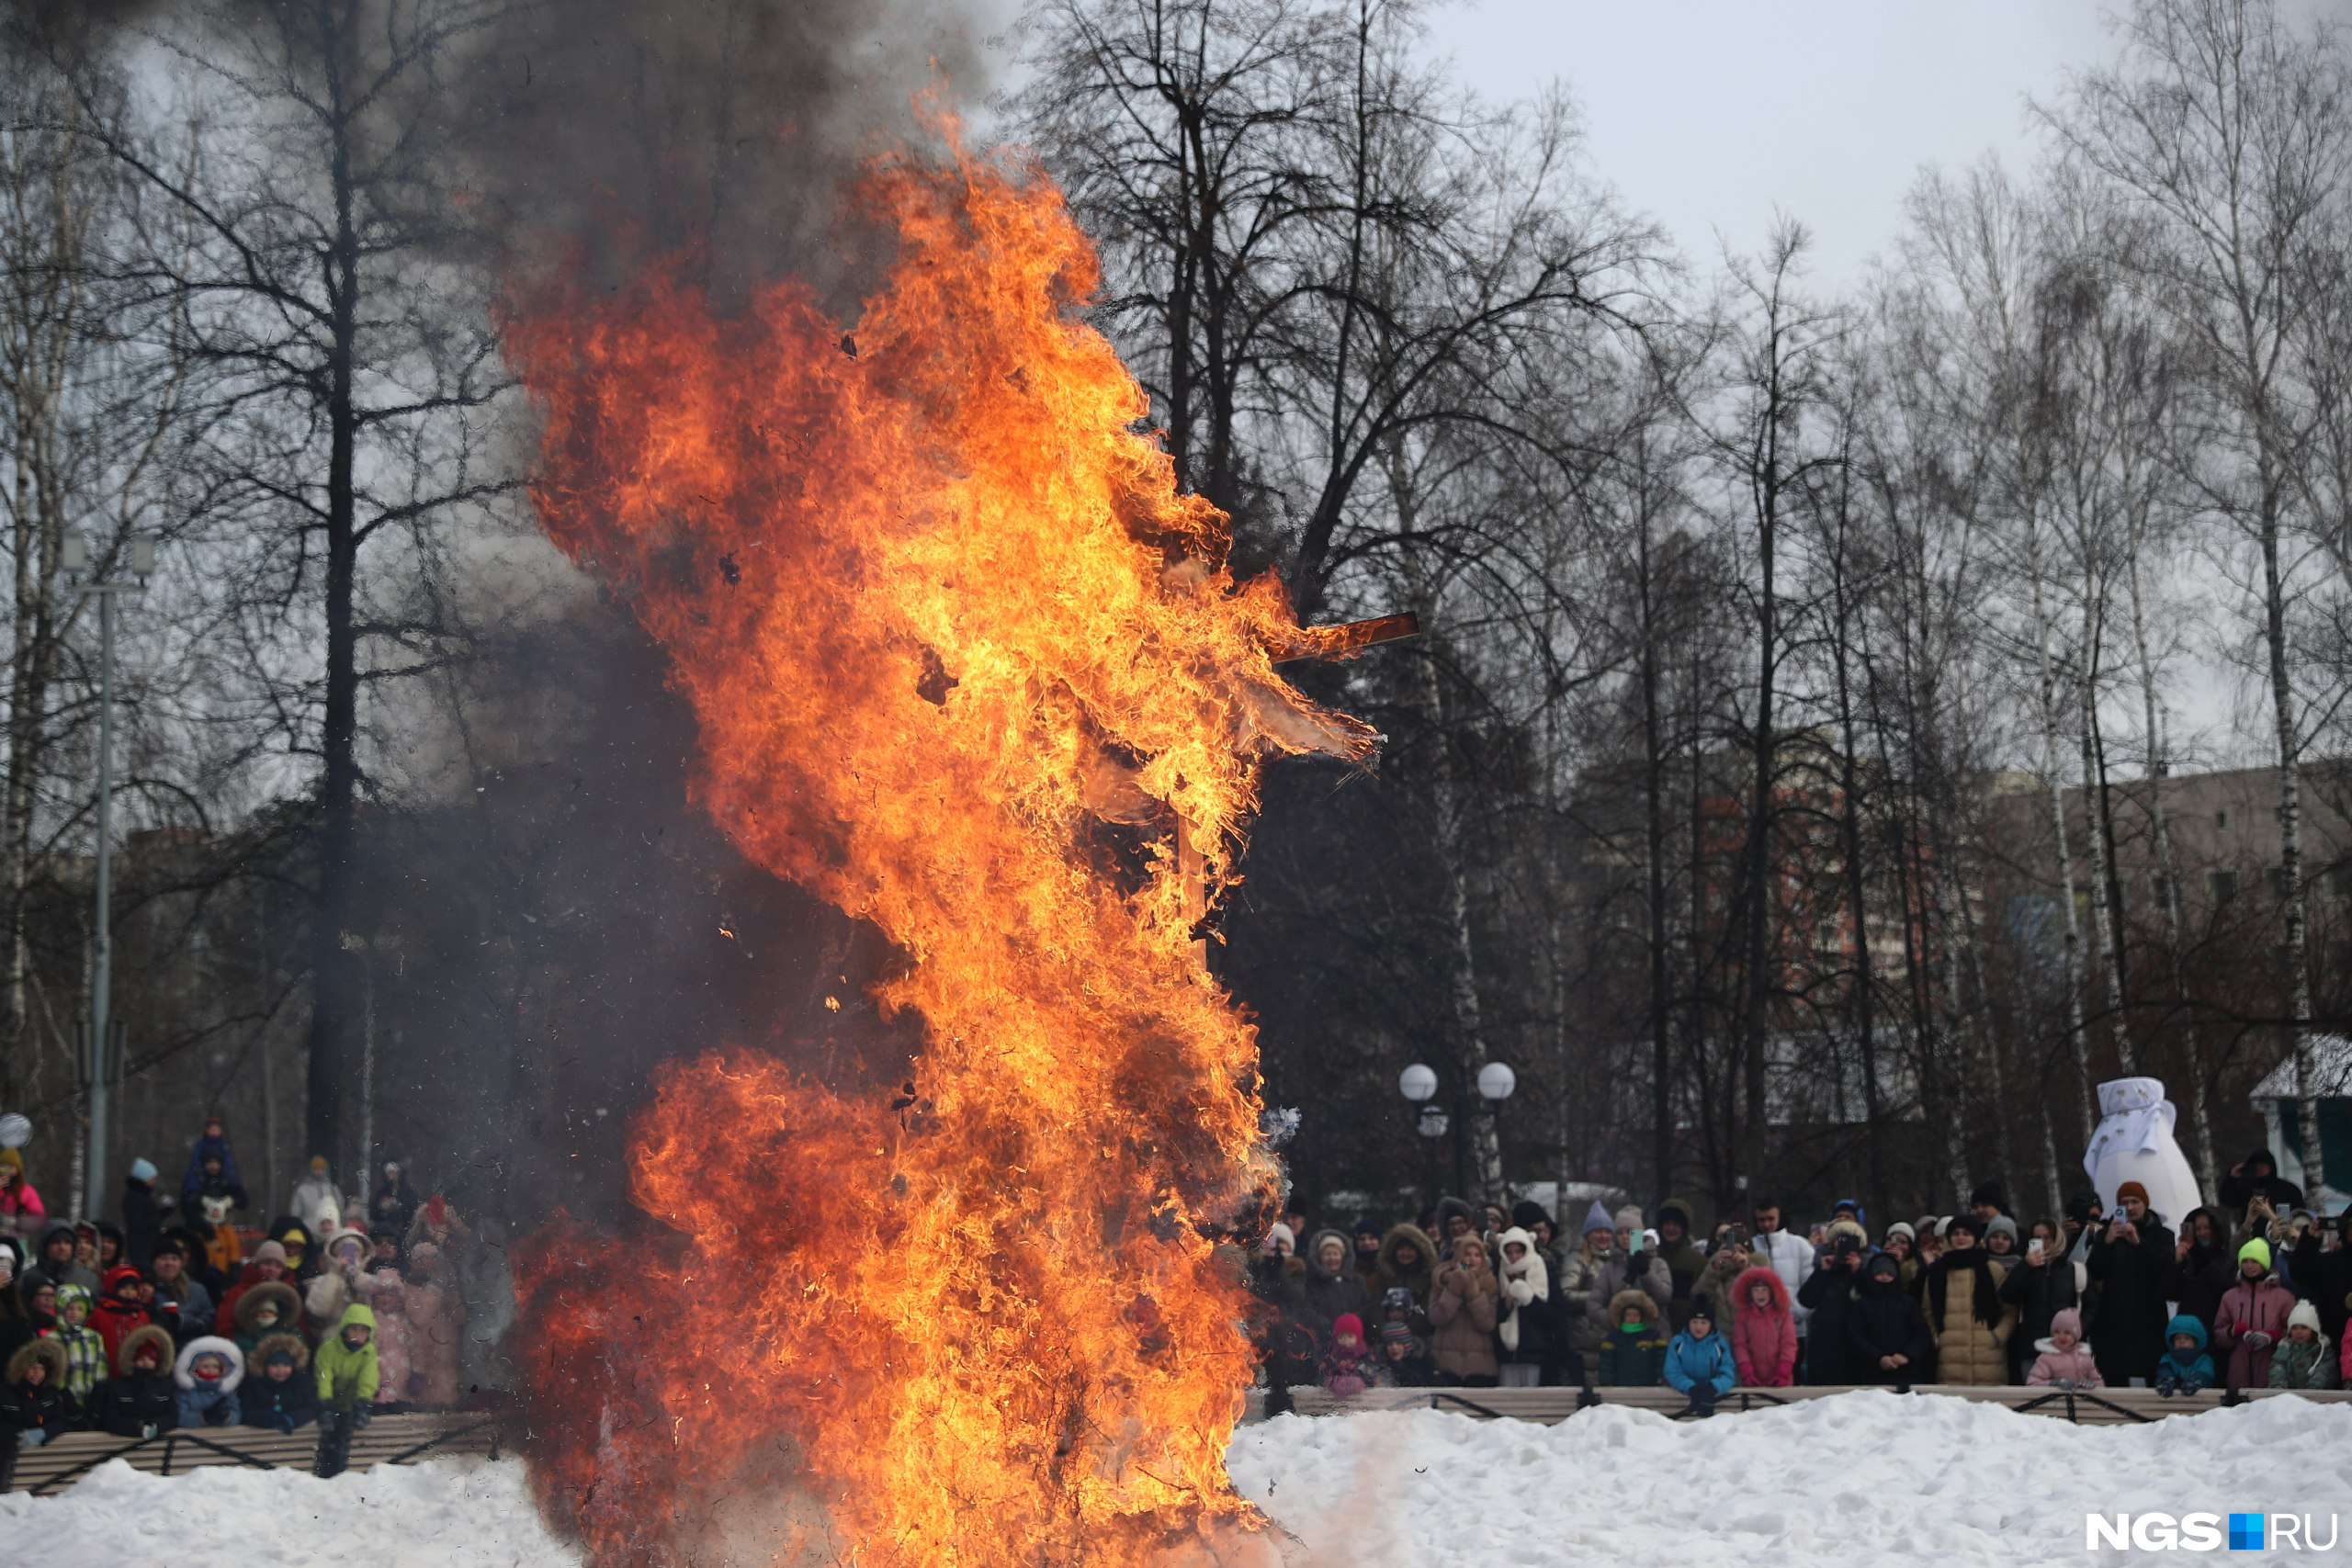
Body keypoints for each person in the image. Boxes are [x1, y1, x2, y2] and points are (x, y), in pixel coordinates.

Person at [2086, 1181, 2173, 1387]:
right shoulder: (2106, 1233)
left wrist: (2138, 1243)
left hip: (2149, 1320)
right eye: (2124, 1203)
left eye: (2135, 1201)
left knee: (2153, 1375)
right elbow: (2094, 1270)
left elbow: (2162, 1268)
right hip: (2112, 1323)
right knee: (2114, 1376)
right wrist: (2106, 1242)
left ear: (2146, 1204)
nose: (2131, 1207)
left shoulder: (2162, 1234)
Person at [1922, 1213, 2012, 1386]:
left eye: (1966, 1233)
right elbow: (1928, 1311)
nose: (1961, 1238)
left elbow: (2009, 1311)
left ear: (1976, 1237)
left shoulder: (1993, 1269)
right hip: (1949, 1360)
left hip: (1989, 1358)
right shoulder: (1937, 1272)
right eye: (1956, 1234)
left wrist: (1998, 1336)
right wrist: (1937, 1337)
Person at [1998, 1222, 2082, 1385]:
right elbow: (2006, 1295)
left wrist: (2078, 1328)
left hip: (2066, 1349)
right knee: (2034, 1398)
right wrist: (2025, 1265)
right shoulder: (2026, 1269)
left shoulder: (2072, 1270)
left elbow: (2090, 1304)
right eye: (2037, 1238)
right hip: (2032, 1347)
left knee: (2067, 1398)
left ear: (2057, 1239)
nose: (2043, 1242)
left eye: (2047, 1237)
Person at [2211, 1237, 2295, 1392]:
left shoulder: (2283, 1297)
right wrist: (2232, 1331)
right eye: (2245, 1261)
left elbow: (2294, 1334)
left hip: (2273, 1369)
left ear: (2264, 1263)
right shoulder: (2230, 1297)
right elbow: (2218, 1334)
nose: (2249, 1266)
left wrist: (2272, 1336)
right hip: (2239, 1370)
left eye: (2255, 1261)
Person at [312, 1303, 379, 1478]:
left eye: (363, 1330)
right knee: (328, 1434)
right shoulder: (329, 1348)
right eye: (354, 1329)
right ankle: (322, 1469)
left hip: (351, 1402)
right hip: (328, 1399)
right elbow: (324, 1376)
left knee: (345, 1436)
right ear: (344, 1329)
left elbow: (368, 1378)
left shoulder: (368, 1352)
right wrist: (326, 1402)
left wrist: (363, 1402)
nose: (358, 1334)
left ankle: (342, 1471)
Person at [1797, 1225, 1869, 1383]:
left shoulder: (1865, 1268)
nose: (1842, 1244)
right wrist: (1823, 1271)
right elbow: (1806, 1299)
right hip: (1824, 1346)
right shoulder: (1825, 1267)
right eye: (1839, 1239)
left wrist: (1857, 1272)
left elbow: (1869, 1298)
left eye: (1848, 1240)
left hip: (1852, 1346)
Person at [1849, 1251, 1933, 1385]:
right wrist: (1878, 1358)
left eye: (1889, 1274)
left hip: (1907, 1375)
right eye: (1879, 1273)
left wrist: (1907, 1356)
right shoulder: (1862, 1304)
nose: (1884, 1277)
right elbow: (1856, 1337)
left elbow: (1922, 1334)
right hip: (1870, 1375)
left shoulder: (1908, 1302)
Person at [1428, 1234, 1500, 1386]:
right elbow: (1437, 1318)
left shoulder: (1490, 1284)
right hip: (1446, 1366)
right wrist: (1455, 1288)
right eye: (1467, 1254)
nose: (1472, 1259)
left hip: (1479, 1368)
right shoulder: (1442, 1281)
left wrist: (1473, 1294)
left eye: (1477, 1255)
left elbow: (1487, 1323)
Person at [1750, 1201, 1814, 1363]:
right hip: (1758, 1331)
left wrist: (1796, 1314)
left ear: (1780, 1218)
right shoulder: (1750, 1246)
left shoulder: (1800, 1245)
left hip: (1794, 1330)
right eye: (1761, 1220)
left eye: (1771, 1219)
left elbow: (1811, 1287)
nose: (1766, 1224)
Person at [2162, 1206, 2237, 1340]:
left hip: (2217, 1334)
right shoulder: (2189, 1259)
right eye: (2197, 1229)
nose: (2202, 1233)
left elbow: (2229, 1292)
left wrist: (2205, 1263)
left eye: (2207, 1227)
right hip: (2189, 1337)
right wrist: (2177, 1264)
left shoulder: (2229, 1260)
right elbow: (2171, 1293)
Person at [94, 1323, 178, 1438]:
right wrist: (137, 1427)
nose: (146, 1362)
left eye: (151, 1359)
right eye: (141, 1358)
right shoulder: (117, 1386)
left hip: (158, 1444)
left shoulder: (167, 1386)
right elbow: (110, 1419)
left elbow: (172, 1416)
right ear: (133, 1360)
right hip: (121, 1444)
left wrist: (158, 1426)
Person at [2287, 1208, 2352, 1348]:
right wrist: (2309, 1240)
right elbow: (2299, 1274)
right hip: (2335, 1347)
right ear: (2345, 1229)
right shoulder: (2331, 1262)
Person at [1662, 1300, 1736, 1412]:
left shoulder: (1720, 1344)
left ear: (1711, 1324)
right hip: (1681, 1400)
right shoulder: (1677, 1343)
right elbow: (1672, 1371)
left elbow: (1728, 1373)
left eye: (1703, 1322)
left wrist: (1712, 1387)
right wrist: (1691, 1388)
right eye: (1695, 1322)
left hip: (1716, 1400)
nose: (1698, 1327)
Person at [1730, 1264, 1796, 1388]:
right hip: (1753, 1378)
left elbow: (1788, 1344)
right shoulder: (1744, 1316)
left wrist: (1783, 1372)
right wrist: (1747, 1372)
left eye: (1764, 1290)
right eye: (1756, 1290)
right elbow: (1740, 1345)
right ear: (1750, 1294)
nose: (1760, 1294)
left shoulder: (1782, 1314)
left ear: (1772, 1291)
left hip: (1781, 1377)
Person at [1, 1337, 75, 1448]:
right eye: (32, 1367)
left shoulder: (50, 1392)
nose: (37, 1373)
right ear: (22, 1368)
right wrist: (17, 1433)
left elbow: (61, 1421)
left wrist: (43, 1432)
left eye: (42, 1369)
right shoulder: (6, 1391)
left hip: (44, 1455)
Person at [240, 1334, 322, 1430]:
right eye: (274, 1365)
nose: (281, 1370)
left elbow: (313, 1407)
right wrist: (272, 1419)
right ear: (264, 1366)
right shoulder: (254, 1383)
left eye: (286, 1365)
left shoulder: (302, 1382)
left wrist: (292, 1419)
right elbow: (246, 1411)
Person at [146, 1238, 214, 1345]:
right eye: (163, 1258)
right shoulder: (146, 1292)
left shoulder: (196, 1290)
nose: (169, 1263)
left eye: (174, 1258)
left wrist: (182, 1321)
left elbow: (210, 1319)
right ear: (153, 1263)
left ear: (181, 1263)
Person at [1374, 1223, 1438, 1335]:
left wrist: (1407, 1331)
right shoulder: (1385, 1276)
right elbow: (1375, 1306)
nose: (1405, 1253)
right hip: (1387, 1337)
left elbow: (1427, 1308)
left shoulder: (1428, 1277)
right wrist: (1386, 1330)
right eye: (1401, 1249)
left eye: (1410, 1249)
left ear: (1419, 1251)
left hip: (1420, 1336)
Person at [1650, 1199, 1705, 1330]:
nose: (1670, 1228)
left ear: (1684, 1228)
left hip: (1685, 1334)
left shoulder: (1698, 1262)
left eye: (1676, 1225)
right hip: (1651, 1332)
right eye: (1667, 1224)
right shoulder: (1651, 1257)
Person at [1596, 1291, 1668, 1386]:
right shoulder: (1613, 1338)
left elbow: (1661, 1359)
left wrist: (1661, 1377)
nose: (1632, 1318)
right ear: (1622, 1317)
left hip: (1648, 1387)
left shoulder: (1653, 1337)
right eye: (1628, 1315)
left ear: (1642, 1316)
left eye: (1636, 1315)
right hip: (1620, 1387)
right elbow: (1606, 1363)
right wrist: (1606, 1382)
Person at [51, 1283, 107, 1403]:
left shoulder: (94, 1337)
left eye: (80, 1309)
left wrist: (97, 1399)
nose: (74, 1313)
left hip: (89, 1400)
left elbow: (101, 1372)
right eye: (70, 1308)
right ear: (61, 1309)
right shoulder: (52, 1339)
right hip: (60, 1402)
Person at [172, 1336, 244, 1427]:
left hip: (223, 1435)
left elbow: (237, 1415)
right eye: (205, 1366)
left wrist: (226, 1416)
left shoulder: (226, 1391)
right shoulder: (187, 1392)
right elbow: (180, 1418)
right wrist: (203, 1417)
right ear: (195, 1368)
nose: (210, 1370)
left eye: (215, 1366)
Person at [90, 1263, 153, 1371]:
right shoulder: (100, 1314)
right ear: (113, 1288)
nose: (129, 1292)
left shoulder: (142, 1315)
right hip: (105, 1369)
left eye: (133, 1288)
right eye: (124, 1288)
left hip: (135, 1372)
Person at [181, 1116, 248, 1213]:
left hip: (221, 1177)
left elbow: (228, 1162)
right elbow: (195, 1160)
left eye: (216, 1129)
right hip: (203, 1175)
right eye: (212, 1129)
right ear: (206, 1130)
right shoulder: (201, 1145)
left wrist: (226, 1176)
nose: (214, 1132)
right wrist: (200, 1171)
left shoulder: (224, 1146)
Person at [2025, 1308, 2102, 1390]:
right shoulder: (2046, 1358)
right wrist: (2053, 1383)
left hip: (2082, 1401)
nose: (2062, 1337)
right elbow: (2032, 1383)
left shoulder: (2085, 1358)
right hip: (2055, 1402)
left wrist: (2092, 1385)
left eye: (2067, 1332)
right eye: (2057, 1332)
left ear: (2076, 1335)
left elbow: (2099, 1383)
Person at [2267, 1300, 2335, 1391]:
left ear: (2313, 1330)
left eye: (2304, 1328)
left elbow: (2325, 1370)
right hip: (2288, 1398)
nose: (2299, 1332)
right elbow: (2277, 1367)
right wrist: (2278, 1386)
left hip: (2317, 1399)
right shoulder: (2285, 1348)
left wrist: (2314, 1388)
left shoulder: (2322, 1351)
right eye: (2294, 1328)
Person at [119, 1156, 174, 1269]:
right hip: (141, 1248)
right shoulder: (134, 1198)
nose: (154, 1182)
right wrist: (161, 1215)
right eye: (152, 1178)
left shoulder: (141, 1196)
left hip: (146, 1246)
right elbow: (139, 1223)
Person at [22, 1221, 96, 1299]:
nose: (62, 1247)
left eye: (67, 1242)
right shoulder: (25, 1279)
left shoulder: (89, 1280)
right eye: (56, 1242)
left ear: (73, 1247)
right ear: (45, 1246)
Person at [232, 1280, 303, 1361]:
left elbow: (297, 1348)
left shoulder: (290, 1331)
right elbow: (246, 1349)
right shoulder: (247, 1333)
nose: (266, 1315)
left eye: (270, 1312)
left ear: (276, 1314)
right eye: (262, 1312)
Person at [2218, 1148, 2303, 1215]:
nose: (2260, 1168)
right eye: (2256, 1165)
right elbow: (2227, 1200)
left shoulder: (2286, 1190)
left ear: (2271, 1166)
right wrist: (2232, 1177)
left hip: (2280, 1234)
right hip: (2253, 1235)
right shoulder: (2246, 1189)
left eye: (2263, 1165)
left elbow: (2299, 1214)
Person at [1317, 1313, 1380, 1401]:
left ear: (1357, 1338)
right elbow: (1321, 1376)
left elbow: (1370, 1375)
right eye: (1342, 1336)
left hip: (1360, 1400)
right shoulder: (1332, 1354)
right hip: (1332, 1400)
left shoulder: (1363, 1355)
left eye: (1350, 1337)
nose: (1346, 1340)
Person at [2154, 1315, 2215, 1396]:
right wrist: (2166, 1380)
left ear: (2196, 1340)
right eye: (2177, 1338)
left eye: (2186, 1338)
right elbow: (2164, 1371)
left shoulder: (2204, 1359)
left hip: (2199, 1400)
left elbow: (2205, 1373)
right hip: (2172, 1401)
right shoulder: (2167, 1358)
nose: (2181, 1341)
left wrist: (2197, 1381)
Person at [0, 1146, 46, 1243]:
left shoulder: (26, 1191)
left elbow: (39, 1218)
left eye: (11, 1166)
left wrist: (17, 1222)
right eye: (4, 1166)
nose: (7, 1171)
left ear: (17, 1169)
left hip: (17, 1240)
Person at [369, 1160, 422, 1239]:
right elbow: (373, 1212)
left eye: (393, 1172)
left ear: (398, 1173)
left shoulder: (408, 1192)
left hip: (403, 1228)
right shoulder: (381, 1193)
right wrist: (382, 1208)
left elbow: (413, 1209)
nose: (391, 1176)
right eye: (389, 1173)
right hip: (385, 1230)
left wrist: (400, 1207)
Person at [1376, 1322, 1434, 1387]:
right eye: (1390, 1344)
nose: (1394, 1347)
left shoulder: (1422, 1366)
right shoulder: (1381, 1368)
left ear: (1407, 1346)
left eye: (1398, 1343)